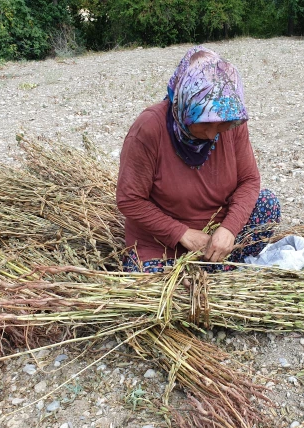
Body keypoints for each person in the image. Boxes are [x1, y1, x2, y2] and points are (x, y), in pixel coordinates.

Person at [117, 45, 280, 273]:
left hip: (215, 236)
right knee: (162, 293)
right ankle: (214, 271)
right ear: (184, 103)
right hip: (163, 245)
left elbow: (249, 180)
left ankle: (219, 263)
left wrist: (229, 230)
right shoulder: (149, 129)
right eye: (204, 122)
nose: (213, 134)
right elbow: (130, 200)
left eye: (221, 124)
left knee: (267, 204)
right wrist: (181, 233)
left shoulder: (232, 122)